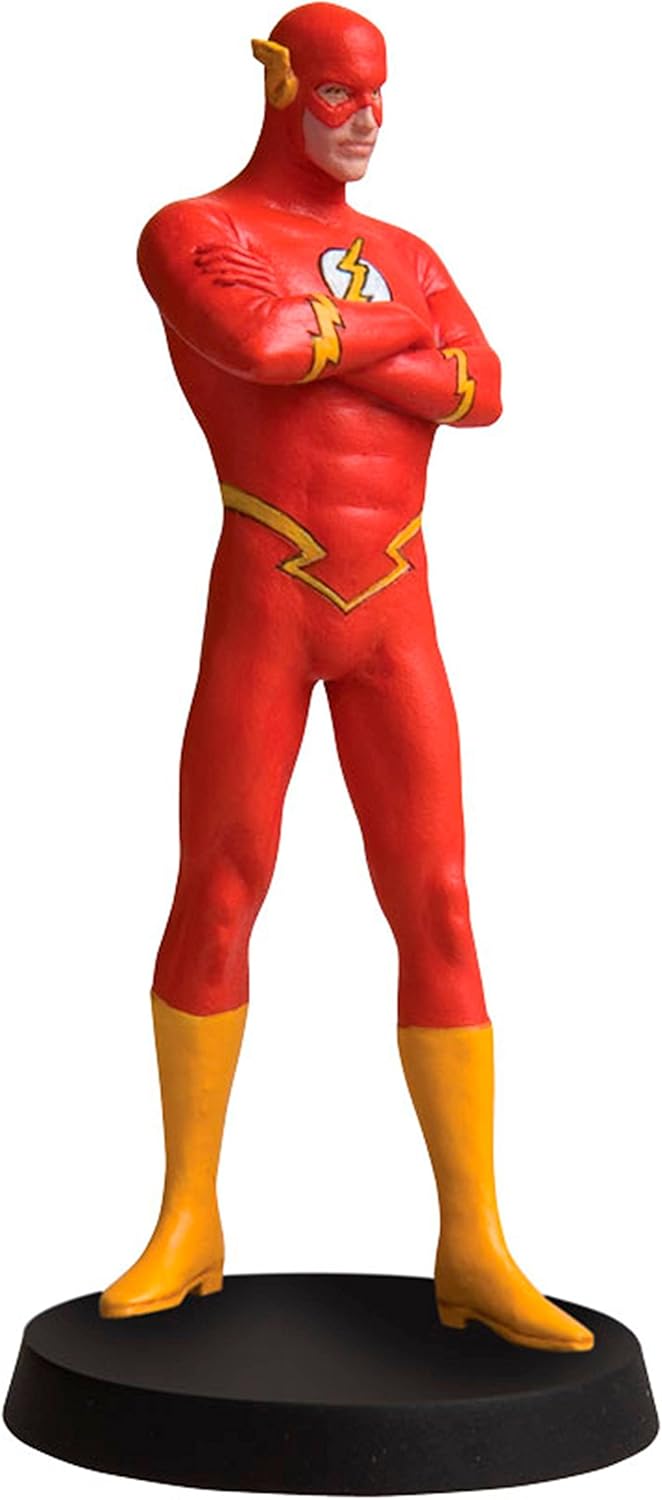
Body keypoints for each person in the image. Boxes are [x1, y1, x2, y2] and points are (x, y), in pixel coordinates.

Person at [100, 2, 593, 1353]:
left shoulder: (408, 250)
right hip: (269, 588)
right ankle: (188, 1216)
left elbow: (486, 388)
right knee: (221, 885)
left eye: (379, 96)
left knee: (440, 902)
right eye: (338, 95)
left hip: (397, 606)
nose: (367, 119)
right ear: (280, 87)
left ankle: (474, 1242)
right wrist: (395, 340)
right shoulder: (194, 229)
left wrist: (335, 328)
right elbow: (260, 353)